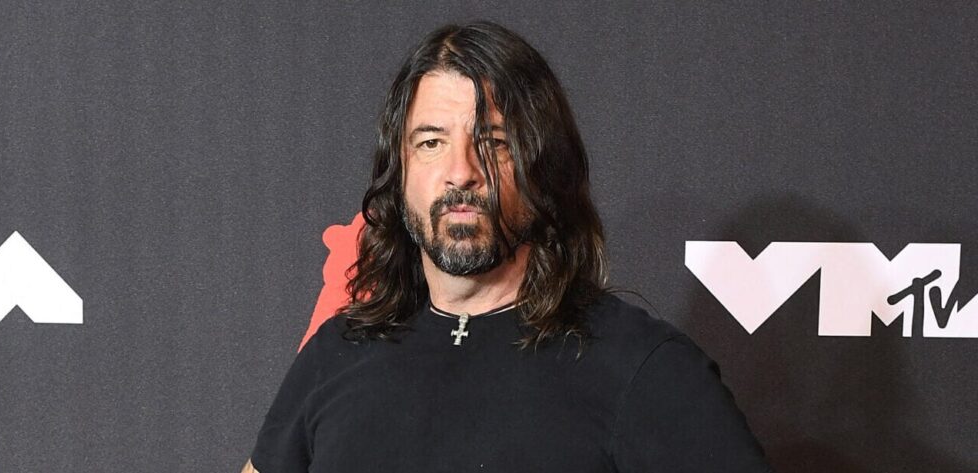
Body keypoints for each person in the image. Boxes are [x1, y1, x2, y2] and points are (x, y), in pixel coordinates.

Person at [242, 21, 771, 473]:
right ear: (399, 171)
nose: (461, 172)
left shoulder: (640, 365)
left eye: (493, 142)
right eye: (431, 142)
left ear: (543, 167)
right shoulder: (336, 354)